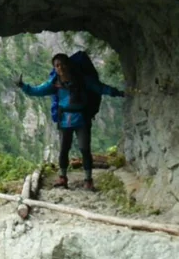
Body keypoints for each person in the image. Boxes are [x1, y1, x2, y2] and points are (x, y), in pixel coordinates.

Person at [16, 53, 125, 191]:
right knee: (63, 150)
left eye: (62, 64)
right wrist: (23, 86)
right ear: (54, 68)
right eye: (57, 65)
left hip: (82, 119)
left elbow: (100, 88)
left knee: (85, 149)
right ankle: (62, 178)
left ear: (69, 64)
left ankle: (88, 179)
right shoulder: (54, 83)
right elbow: (37, 90)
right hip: (65, 120)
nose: (60, 67)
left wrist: (118, 92)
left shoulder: (83, 80)